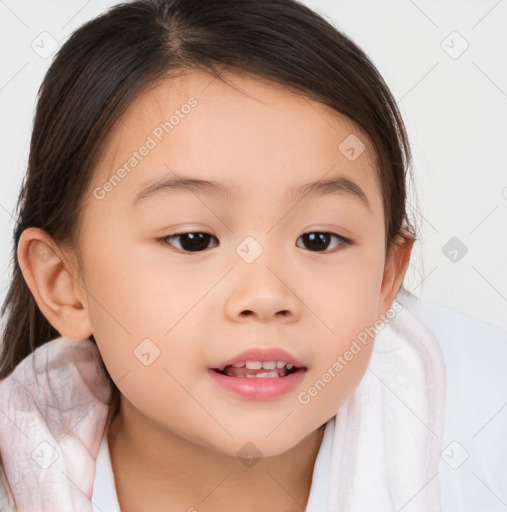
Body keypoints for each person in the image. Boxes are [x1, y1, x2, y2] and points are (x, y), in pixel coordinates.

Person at [0, 0, 453, 510]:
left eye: (319, 239)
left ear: (387, 280)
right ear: (64, 283)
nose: (265, 296)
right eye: (193, 240)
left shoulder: (484, 453)